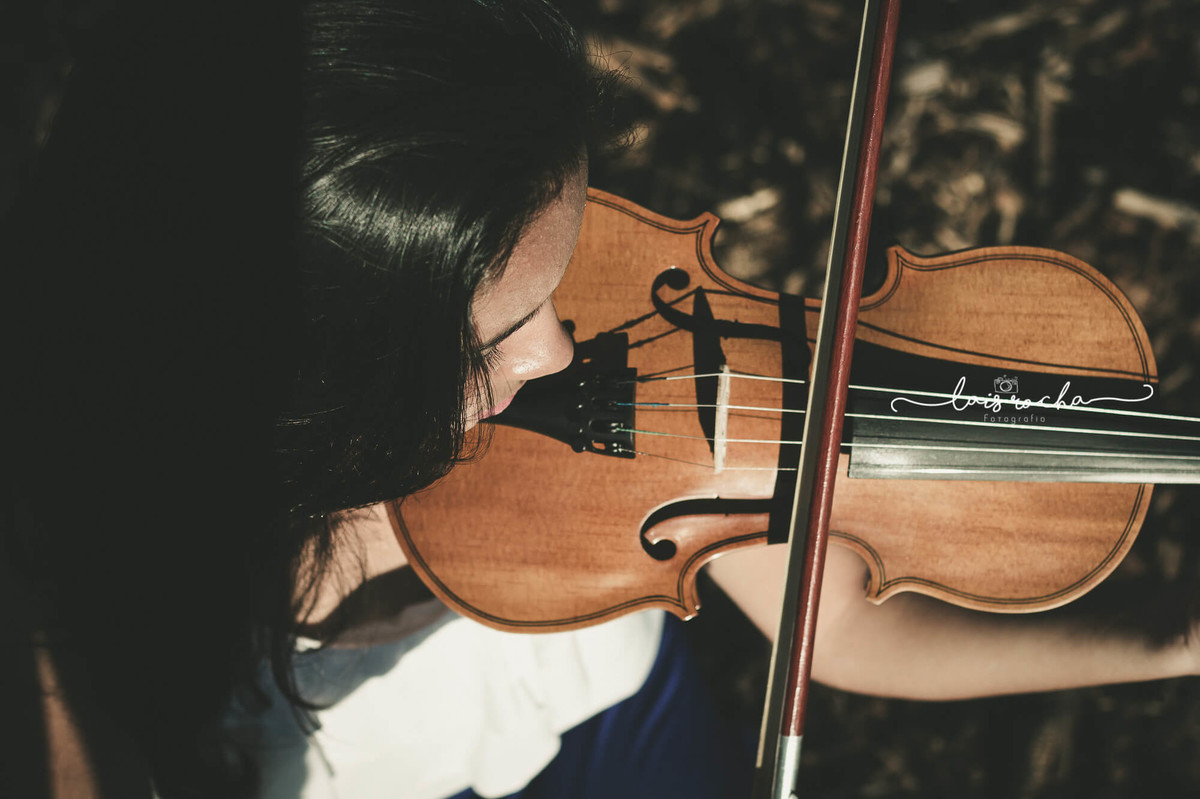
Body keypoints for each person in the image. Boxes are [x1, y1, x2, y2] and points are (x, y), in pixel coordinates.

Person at [3, 1, 1196, 798]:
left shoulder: (627, 330)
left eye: (561, 281)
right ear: (318, 368)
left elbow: (838, 625)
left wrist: (1172, 639)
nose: (572, 350)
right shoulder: (71, 605)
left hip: (636, 730)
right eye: (500, 335)